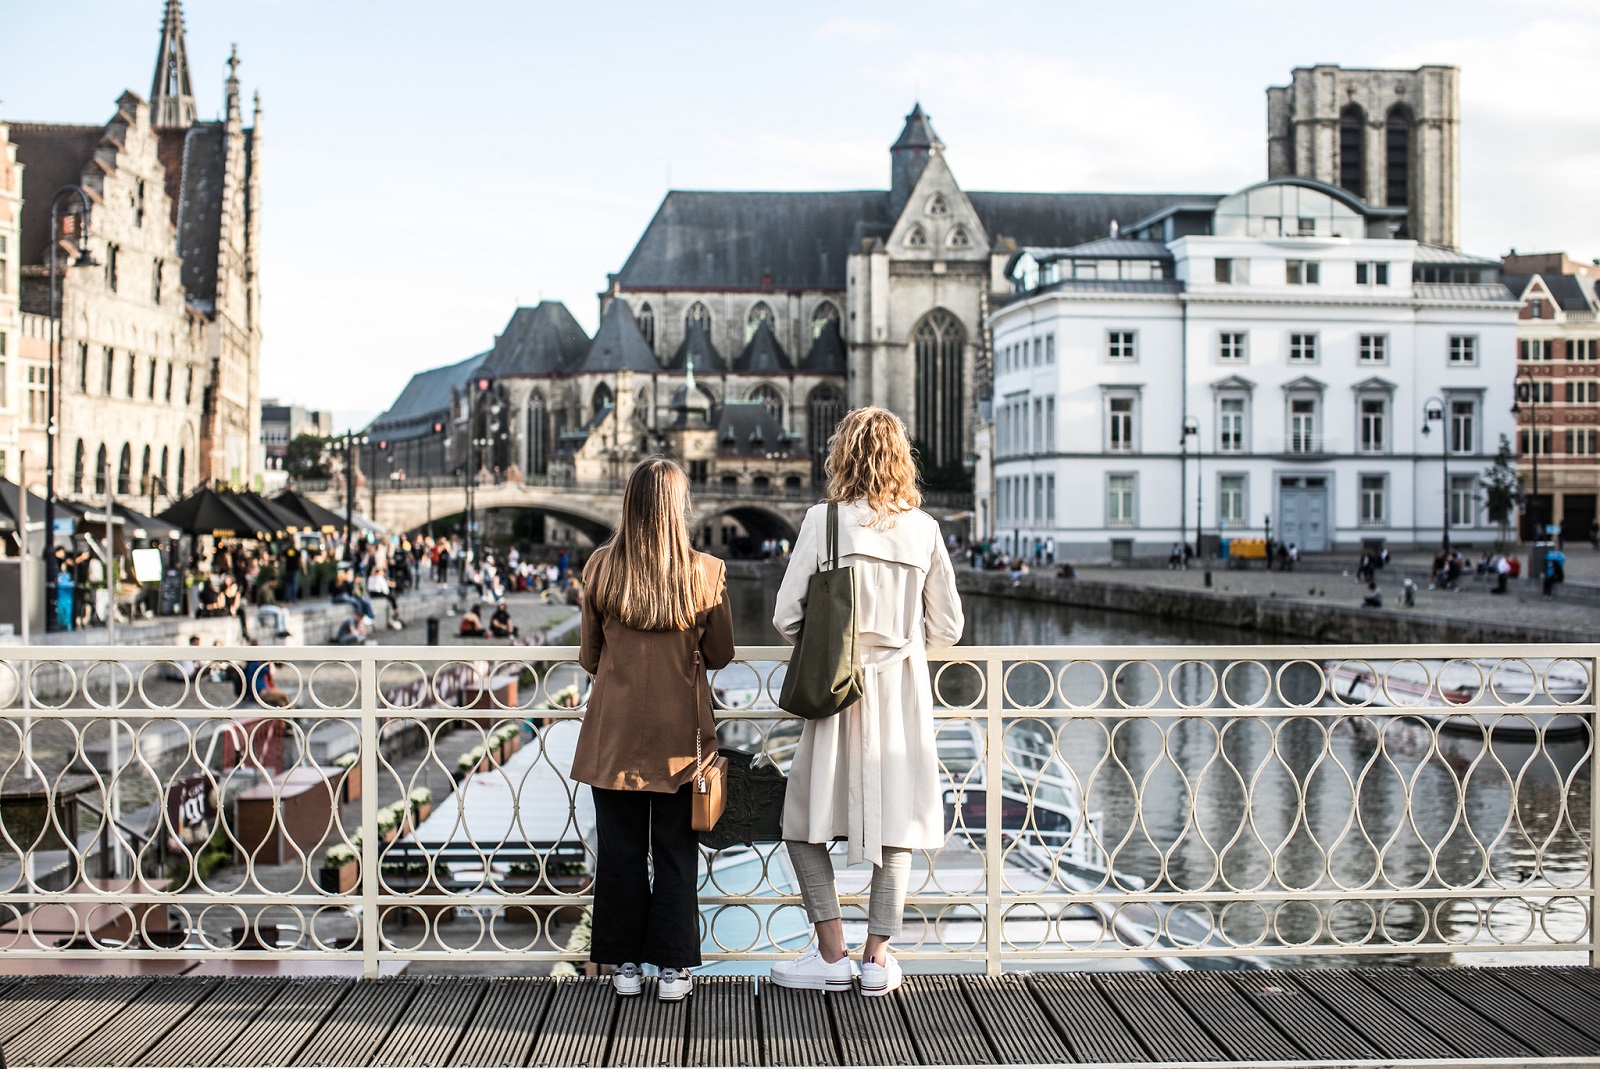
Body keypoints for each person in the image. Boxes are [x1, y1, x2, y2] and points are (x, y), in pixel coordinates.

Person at [771, 406, 963, 998]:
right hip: (901, 697)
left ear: (842, 457)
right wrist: (904, 648)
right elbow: (949, 627)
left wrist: (835, 639)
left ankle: (832, 954)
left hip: (835, 689)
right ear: (901, 460)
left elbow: (785, 617)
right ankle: (878, 959)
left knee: (803, 824)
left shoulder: (822, 522)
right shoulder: (923, 529)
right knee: (895, 826)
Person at [572, 457, 733, 1003]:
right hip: (681, 741)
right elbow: (721, 654)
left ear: (629, 504)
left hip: (612, 737)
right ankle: (674, 970)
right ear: (678, 508)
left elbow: (590, 656)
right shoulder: (706, 572)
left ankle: (622, 967)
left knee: (619, 855)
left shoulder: (600, 568)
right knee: (674, 854)